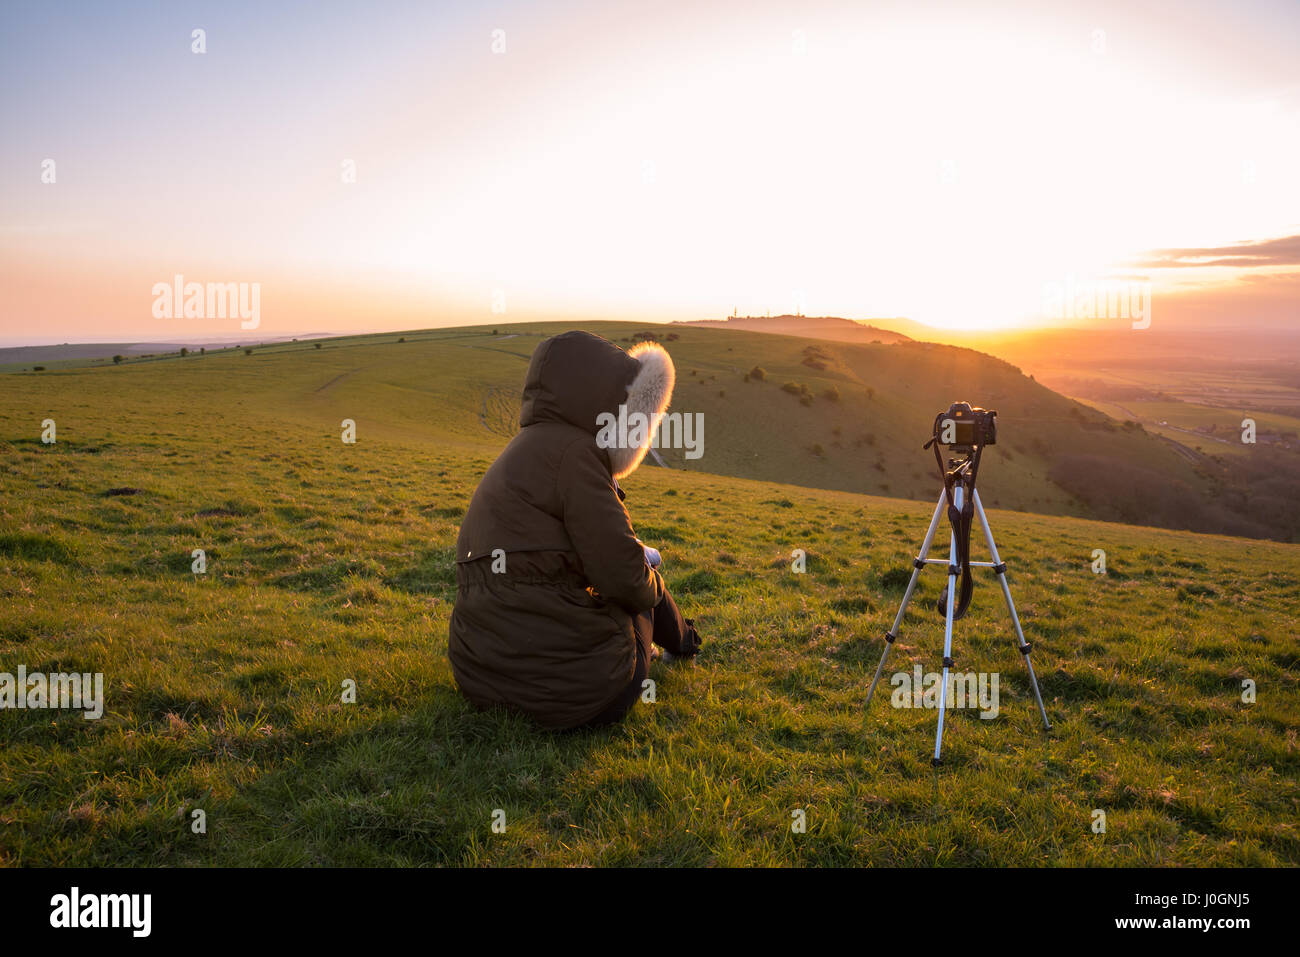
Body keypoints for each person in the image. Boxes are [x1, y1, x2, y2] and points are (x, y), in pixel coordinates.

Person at [448, 330, 702, 729]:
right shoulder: (579, 457)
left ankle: (680, 639)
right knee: (639, 571)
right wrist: (644, 565)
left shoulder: (519, 450)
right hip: (581, 694)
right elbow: (625, 580)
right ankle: (685, 643)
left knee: (630, 561)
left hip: (478, 679)